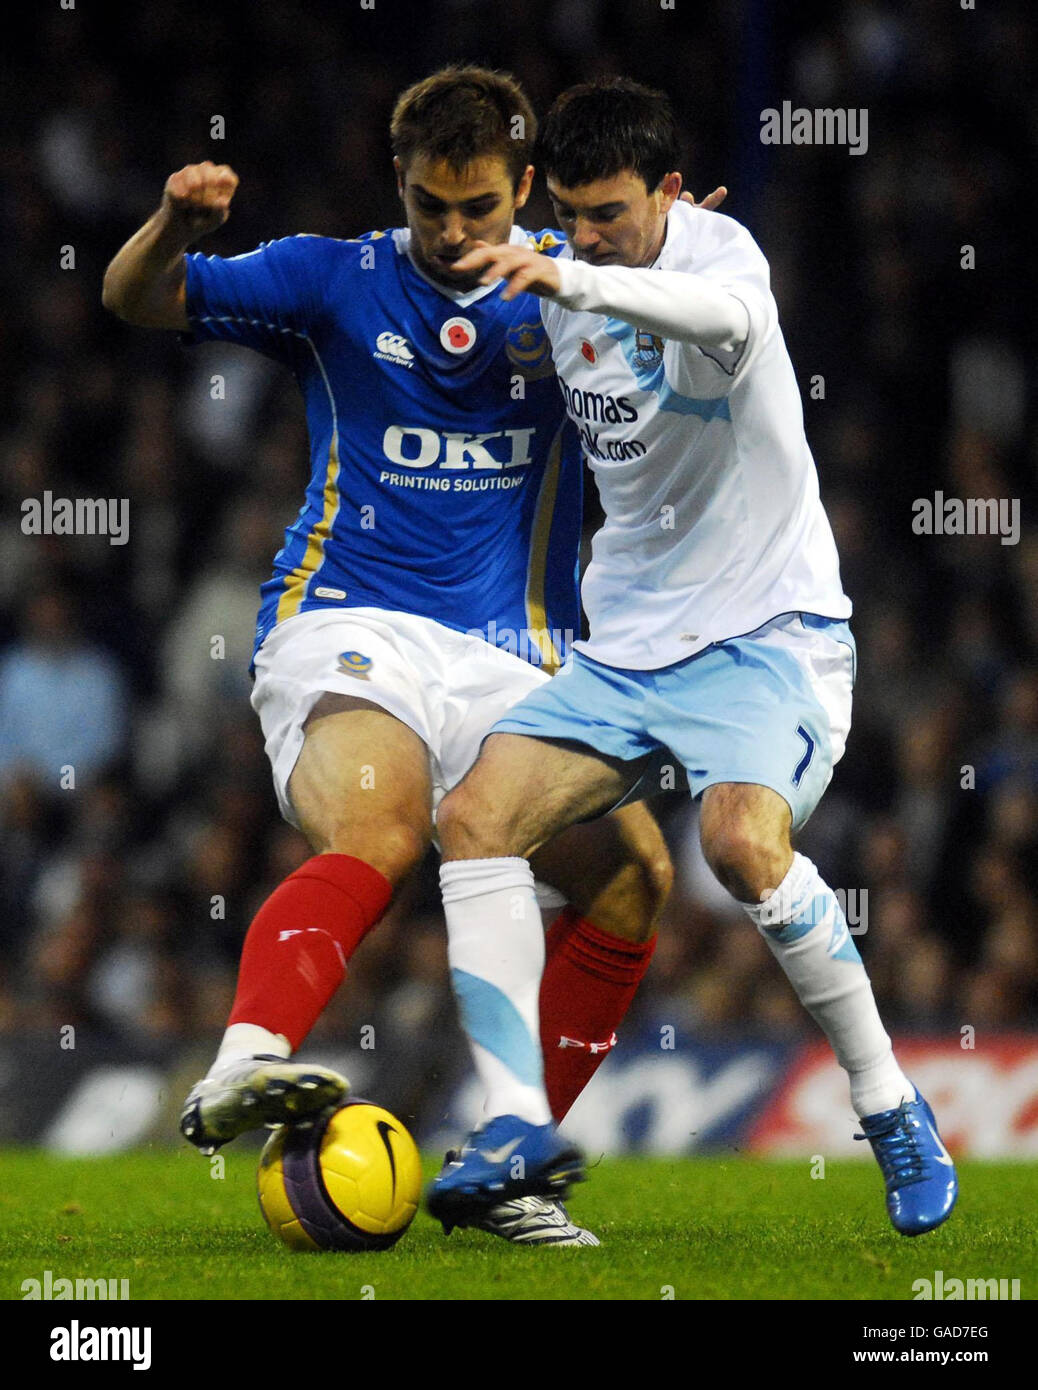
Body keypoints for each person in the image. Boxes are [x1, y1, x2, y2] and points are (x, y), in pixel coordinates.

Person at [103, 66, 715, 1246]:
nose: (453, 232)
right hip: (349, 623)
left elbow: (709, 319)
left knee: (637, 878)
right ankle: (244, 1060)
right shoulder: (330, 278)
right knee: (380, 833)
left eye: (480, 207)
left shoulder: (572, 288)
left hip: (515, 661)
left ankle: (508, 1166)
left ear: (525, 190)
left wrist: (679, 252)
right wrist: (174, 224)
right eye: (432, 204)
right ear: (402, 185)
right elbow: (138, 299)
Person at [428, 78, 958, 1239]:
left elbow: (719, 323)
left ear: (670, 194)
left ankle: (889, 1099)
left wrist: (581, 274)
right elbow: (437, 246)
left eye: (609, 212)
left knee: (739, 846)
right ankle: (515, 1120)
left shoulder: (726, 263)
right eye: (564, 213)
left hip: (769, 633)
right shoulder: (554, 259)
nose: (582, 233)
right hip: (626, 642)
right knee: (472, 817)